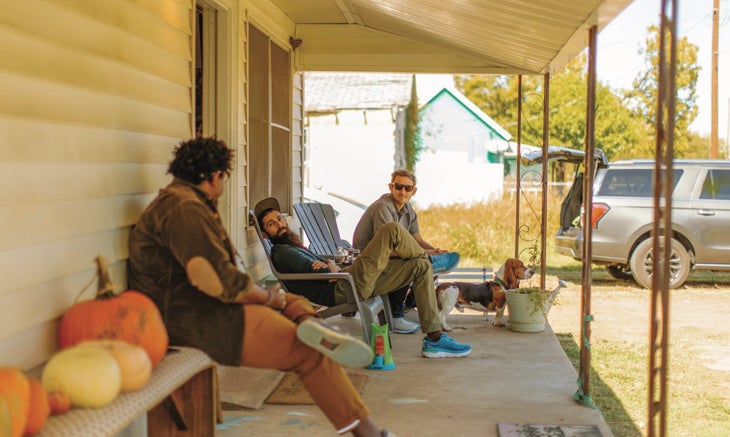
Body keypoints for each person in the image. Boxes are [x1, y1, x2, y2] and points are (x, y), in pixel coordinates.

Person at [127, 137, 391, 437]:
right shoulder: (184, 209)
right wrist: (270, 299)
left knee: (292, 301)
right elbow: (216, 281)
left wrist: (275, 299)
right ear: (215, 177)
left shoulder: (179, 201)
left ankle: (311, 324)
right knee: (309, 353)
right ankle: (369, 432)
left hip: (203, 308)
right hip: (199, 321)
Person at [255, 197, 472, 359]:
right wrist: (330, 265)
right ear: (265, 234)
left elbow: (326, 267)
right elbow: (323, 274)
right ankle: (431, 257)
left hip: (346, 278)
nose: (280, 224)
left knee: (419, 267)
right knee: (391, 230)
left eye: (279, 219)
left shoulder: (293, 246)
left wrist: (330, 264)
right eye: (272, 224)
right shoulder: (283, 252)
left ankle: (434, 339)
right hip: (344, 287)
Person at [353, 169, 460, 330]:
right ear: (391, 187)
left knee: (427, 263)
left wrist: (436, 251)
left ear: (413, 191)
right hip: (370, 261)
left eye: (407, 188)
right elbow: (385, 250)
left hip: (389, 256)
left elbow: (417, 240)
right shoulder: (382, 208)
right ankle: (396, 316)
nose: (403, 191)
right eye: (398, 186)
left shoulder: (408, 209)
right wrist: (428, 255)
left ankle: (408, 306)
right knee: (412, 261)